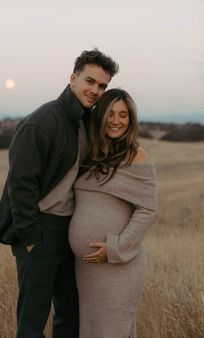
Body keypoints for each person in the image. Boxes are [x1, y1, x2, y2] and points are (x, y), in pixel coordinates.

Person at [0, 49, 119, 338]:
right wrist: (31, 238)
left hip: (70, 231)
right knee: (32, 321)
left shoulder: (87, 121)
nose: (95, 90)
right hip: (40, 229)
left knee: (70, 317)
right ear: (72, 78)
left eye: (102, 86)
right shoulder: (41, 122)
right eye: (90, 81)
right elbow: (20, 185)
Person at [69, 88, 157, 338]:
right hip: (87, 269)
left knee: (112, 330)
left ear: (131, 120)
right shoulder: (91, 155)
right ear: (100, 116)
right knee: (93, 330)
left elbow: (147, 209)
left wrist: (115, 249)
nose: (116, 121)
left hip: (118, 266)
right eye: (110, 114)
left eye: (123, 115)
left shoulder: (136, 156)